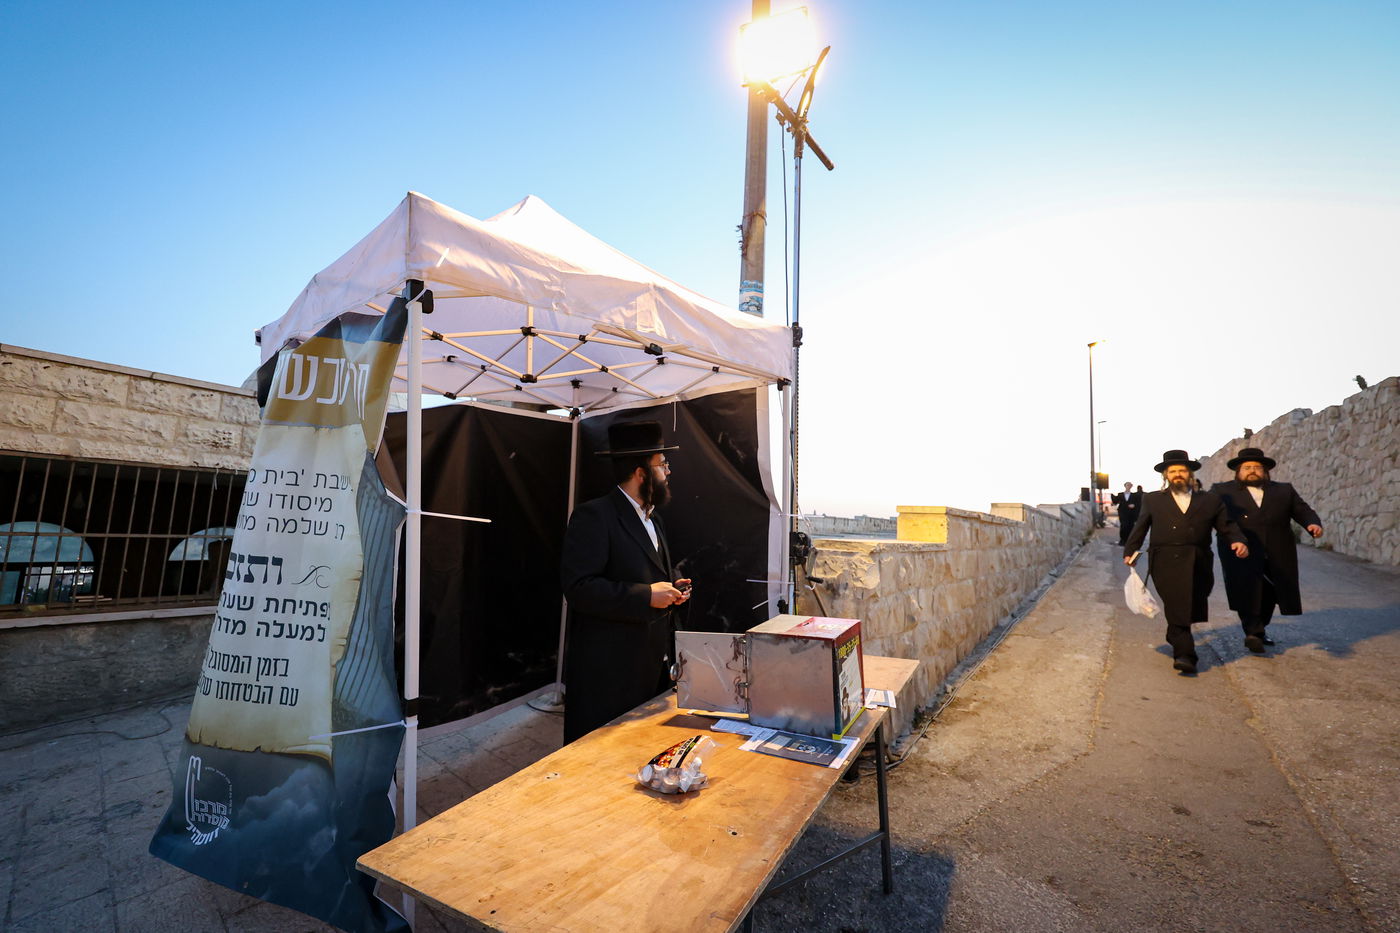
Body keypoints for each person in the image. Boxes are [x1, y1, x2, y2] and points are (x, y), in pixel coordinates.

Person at [559, 420, 692, 742]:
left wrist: (673, 586)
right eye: (663, 464)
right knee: (597, 759)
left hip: (650, 665)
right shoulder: (595, 515)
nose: (669, 472)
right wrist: (645, 595)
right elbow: (578, 589)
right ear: (641, 472)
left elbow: (644, 569)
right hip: (608, 672)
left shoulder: (653, 517)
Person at [1123, 450, 1248, 675]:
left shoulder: (1210, 500)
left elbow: (1226, 524)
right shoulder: (1152, 499)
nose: (1178, 474)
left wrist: (1237, 541)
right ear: (1166, 476)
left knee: (1192, 602)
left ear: (1189, 474)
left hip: (1199, 559)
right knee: (1176, 601)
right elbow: (1141, 526)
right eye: (1173, 471)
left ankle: (1175, 633)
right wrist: (1130, 549)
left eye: (1182, 470)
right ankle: (1185, 654)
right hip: (1164, 559)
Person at [1210, 447, 1323, 654]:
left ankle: (1260, 629)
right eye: (1247, 467)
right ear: (1238, 471)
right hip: (1239, 548)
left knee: (1271, 592)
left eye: (1257, 467)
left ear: (1265, 471)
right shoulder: (1222, 491)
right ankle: (1252, 631)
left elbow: (1302, 509)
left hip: (1277, 549)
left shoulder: (1283, 490)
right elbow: (1211, 515)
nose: (1252, 470)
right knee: (1247, 589)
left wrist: (1312, 524)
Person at [1112, 481, 1143, 546]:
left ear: (1131, 486)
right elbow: (1115, 501)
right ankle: (1123, 540)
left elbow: (1138, 503)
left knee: (1130, 526)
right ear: (1125, 486)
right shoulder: (1120, 494)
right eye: (1127, 485)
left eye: (1130, 485)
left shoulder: (1134, 495)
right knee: (1123, 526)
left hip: (1131, 513)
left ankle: (1129, 541)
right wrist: (1112, 496)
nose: (1128, 486)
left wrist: (1134, 505)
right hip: (1123, 513)